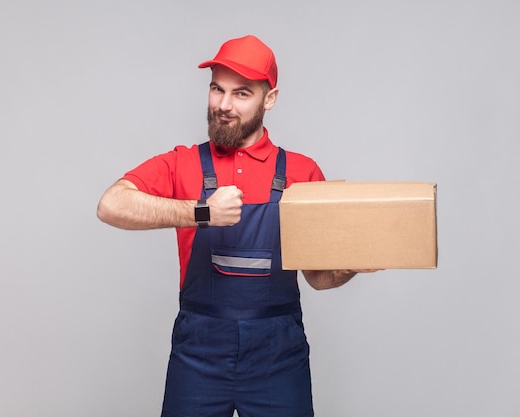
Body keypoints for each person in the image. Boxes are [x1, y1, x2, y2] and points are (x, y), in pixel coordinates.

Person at [97, 34, 373, 417]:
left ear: (269, 99)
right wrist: (200, 213)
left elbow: (318, 277)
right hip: (199, 353)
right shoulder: (183, 163)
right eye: (216, 89)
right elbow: (111, 205)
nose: (223, 106)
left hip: (278, 355)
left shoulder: (302, 172)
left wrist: (354, 266)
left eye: (241, 94)